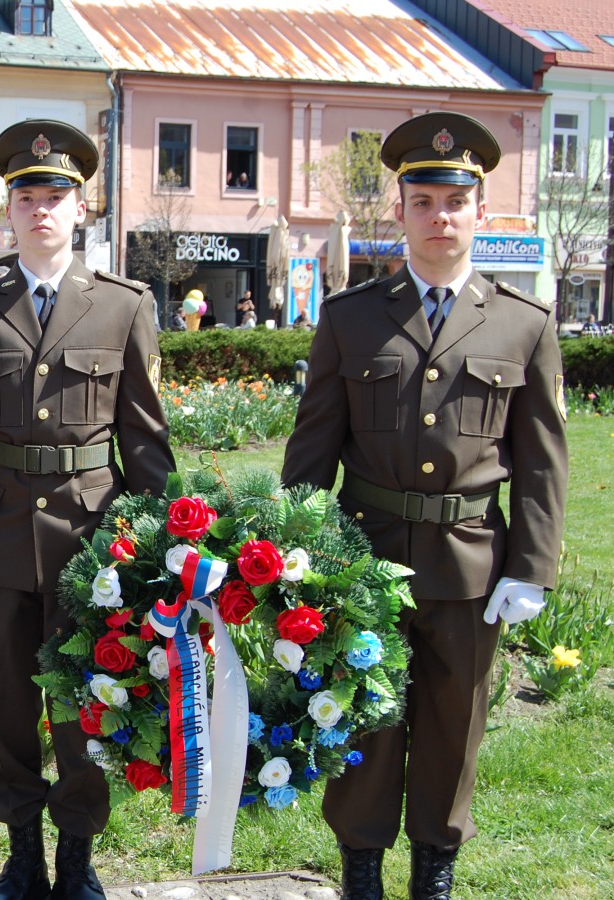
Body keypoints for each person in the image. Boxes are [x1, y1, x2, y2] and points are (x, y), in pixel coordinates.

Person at [281, 112, 568, 900]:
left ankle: (434, 876)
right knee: (365, 724)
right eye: (425, 201)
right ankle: (362, 876)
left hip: (472, 565)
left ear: (480, 210)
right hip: (365, 563)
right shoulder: (350, 318)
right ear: (401, 209)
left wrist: (531, 568)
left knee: (452, 732)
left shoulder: (523, 322)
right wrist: (296, 559)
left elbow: (543, 460)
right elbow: (311, 451)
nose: (442, 217)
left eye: (457, 201)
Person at [0, 120, 175, 900]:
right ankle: (22, 856)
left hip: (92, 539)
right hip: (0, 537)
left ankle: (77, 859)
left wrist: (154, 555)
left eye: (57, 197)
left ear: (83, 209)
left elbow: (145, 445)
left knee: (87, 703)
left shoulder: (121, 306)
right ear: (9, 210)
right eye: (27, 197)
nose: (42, 210)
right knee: (7, 706)